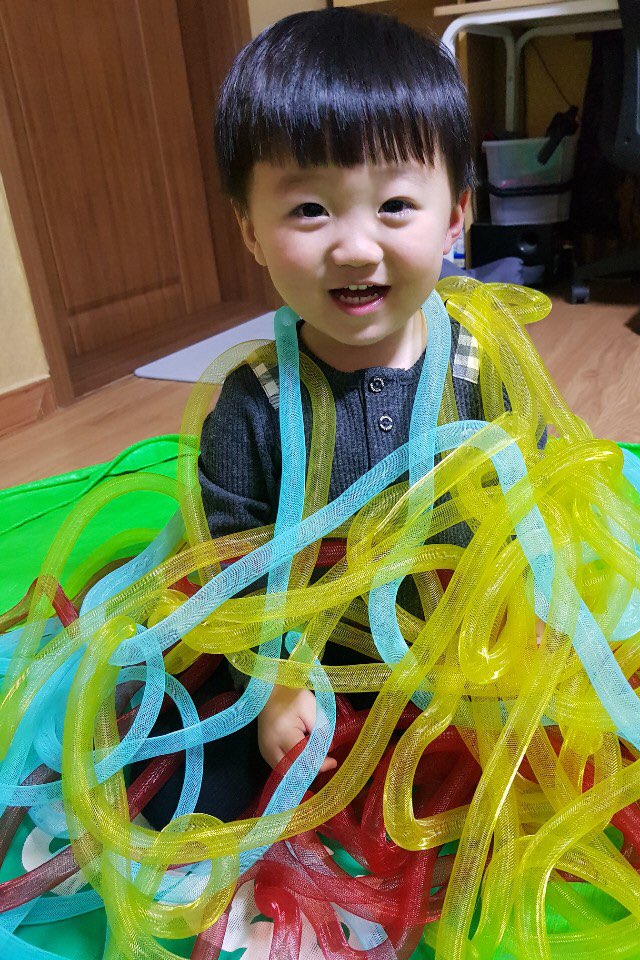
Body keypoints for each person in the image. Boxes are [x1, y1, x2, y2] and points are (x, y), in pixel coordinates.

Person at [142, 6, 484, 828]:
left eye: (395, 204)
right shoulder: (253, 403)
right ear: (250, 232)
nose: (356, 247)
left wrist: (519, 629)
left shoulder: (482, 368)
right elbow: (233, 563)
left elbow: (529, 506)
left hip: (456, 651)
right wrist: (272, 684)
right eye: (309, 210)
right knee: (176, 788)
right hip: (308, 660)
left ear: (456, 216)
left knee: (548, 764)